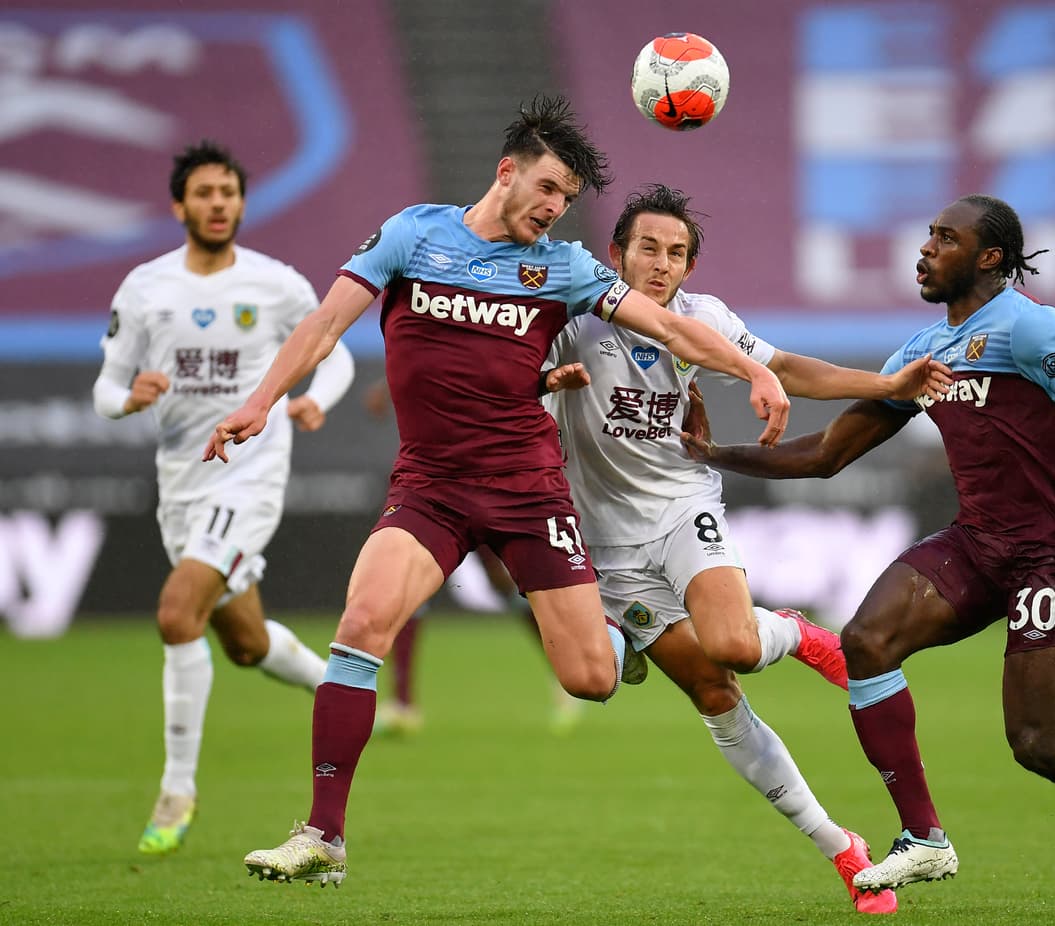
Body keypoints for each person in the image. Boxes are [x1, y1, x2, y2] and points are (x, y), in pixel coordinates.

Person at [203, 95, 791, 887]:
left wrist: (752, 367)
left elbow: (670, 327)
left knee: (588, 678)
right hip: (432, 488)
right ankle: (323, 836)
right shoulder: (414, 234)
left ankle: (630, 637)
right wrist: (258, 400)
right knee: (363, 623)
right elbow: (321, 325)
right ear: (506, 171)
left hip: (529, 492)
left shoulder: (564, 266)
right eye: (546, 188)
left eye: (567, 200)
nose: (553, 209)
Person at [682, 194, 1055, 914]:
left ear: (989, 257)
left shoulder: (1029, 326)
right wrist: (713, 454)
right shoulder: (923, 353)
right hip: (977, 543)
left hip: (1048, 556)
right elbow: (830, 454)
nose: (925, 249)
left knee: (1037, 742)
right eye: (928, 236)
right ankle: (923, 837)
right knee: (866, 642)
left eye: (945, 238)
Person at [537, 183, 952, 913]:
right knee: (713, 693)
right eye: (647, 249)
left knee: (733, 644)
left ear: (689, 268)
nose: (661, 265)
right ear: (616, 253)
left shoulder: (704, 319)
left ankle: (789, 630)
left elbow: (787, 366)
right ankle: (843, 850)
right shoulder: (572, 320)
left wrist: (889, 384)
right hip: (606, 545)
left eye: (676, 254)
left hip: (682, 505)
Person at [92, 140, 355, 855]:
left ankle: (178, 790)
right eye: (204, 193)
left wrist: (314, 401)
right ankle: (338, 687)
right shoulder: (146, 288)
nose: (218, 204)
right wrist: (129, 397)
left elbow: (339, 350)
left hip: (250, 475)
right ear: (180, 205)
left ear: (241, 202)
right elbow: (105, 387)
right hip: (181, 482)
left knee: (178, 613)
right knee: (242, 641)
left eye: (229, 193)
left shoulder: (277, 285)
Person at [360, 382, 585, 736]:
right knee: (402, 576)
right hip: (436, 475)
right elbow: (424, 352)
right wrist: (390, 387)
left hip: (493, 471)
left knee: (503, 580)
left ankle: (568, 669)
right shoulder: (433, 337)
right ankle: (403, 703)